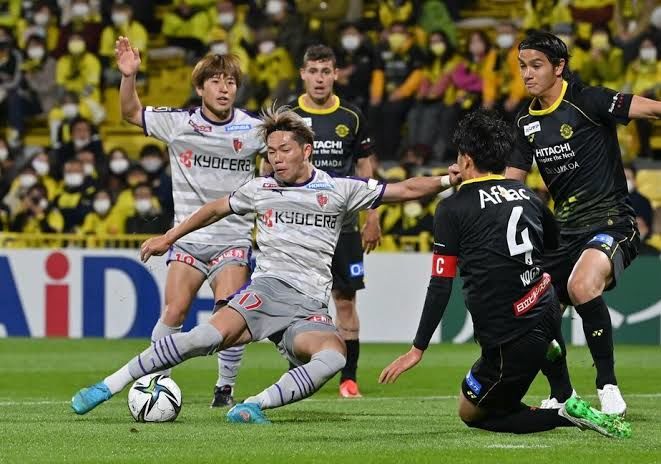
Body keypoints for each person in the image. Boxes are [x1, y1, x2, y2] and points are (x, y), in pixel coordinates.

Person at [70, 105, 460, 423]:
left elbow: (404, 189)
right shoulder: (261, 188)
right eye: (270, 152)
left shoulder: (338, 189)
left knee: (333, 356)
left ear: (306, 150)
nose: (275, 158)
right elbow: (214, 209)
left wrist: (447, 180)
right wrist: (169, 237)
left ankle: (253, 405)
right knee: (202, 338)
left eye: (284, 150)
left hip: (308, 306)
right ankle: (108, 385)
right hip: (266, 293)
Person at [380, 109, 631, 439]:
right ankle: (564, 392)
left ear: (466, 159)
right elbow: (554, 246)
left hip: (508, 337)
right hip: (544, 309)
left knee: (471, 412)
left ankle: (564, 414)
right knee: (542, 318)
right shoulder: (529, 196)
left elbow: (440, 284)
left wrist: (418, 348)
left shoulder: (452, 208)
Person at [507, 30, 661, 415]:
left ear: (559, 67)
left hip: (612, 222)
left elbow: (653, 110)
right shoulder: (524, 121)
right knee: (535, 312)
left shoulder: (589, 100)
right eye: (523, 66)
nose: (527, 74)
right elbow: (513, 185)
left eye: (536, 65)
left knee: (581, 285)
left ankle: (607, 385)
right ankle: (562, 394)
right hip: (564, 234)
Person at [114, 36, 266, 408]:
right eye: (215, 81)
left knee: (228, 313)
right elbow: (131, 113)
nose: (224, 88)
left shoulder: (253, 129)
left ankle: (224, 389)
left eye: (230, 82)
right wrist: (129, 76)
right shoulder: (179, 123)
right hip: (187, 239)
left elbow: (284, 154)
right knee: (174, 310)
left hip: (232, 239)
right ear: (200, 88)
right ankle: (155, 381)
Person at [287, 44, 381, 398]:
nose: (320, 78)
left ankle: (349, 378)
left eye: (326, 71)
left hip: (344, 227)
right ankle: (296, 372)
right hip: (300, 226)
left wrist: (372, 215)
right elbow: (271, 166)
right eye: (313, 71)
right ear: (303, 74)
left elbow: (365, 167)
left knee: (344, 301)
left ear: (335, 75)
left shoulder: (351, 116)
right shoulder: (289, 115)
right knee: (298, 300)